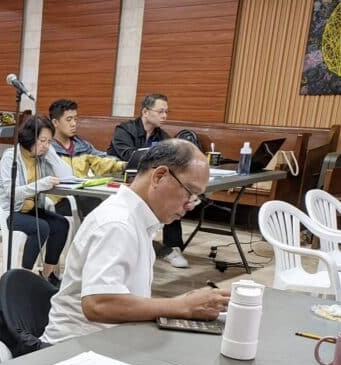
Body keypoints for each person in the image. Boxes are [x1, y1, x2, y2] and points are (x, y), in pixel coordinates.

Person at [43, 140, 230, 344]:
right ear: (159, 176)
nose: (190, 205)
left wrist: (187, 304)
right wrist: (182, 305)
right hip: (75, 349)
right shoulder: (117, 224)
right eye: (189, 192)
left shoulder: (137, 219)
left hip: (106, 340)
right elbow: (98, 304)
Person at [0, 115, 73, 286]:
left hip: (28, 210)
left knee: (61, 224)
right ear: (29, 137)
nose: (45, 145)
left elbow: (67, 176)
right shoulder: (11, 156)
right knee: (40, 227)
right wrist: (41, 184)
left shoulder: (41, 157)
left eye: (49, 141)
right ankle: (23, 280)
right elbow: (13, 194)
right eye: (42, 140)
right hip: (4, 212)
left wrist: (51, 153)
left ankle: (47, 276)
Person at [107, 93, 187, 268]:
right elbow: (129, 157)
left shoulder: (163, 135)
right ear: (145, 111)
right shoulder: (124, 130)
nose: (164, 116)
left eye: (166, 112)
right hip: (120, 181)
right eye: (160, 111)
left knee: (174, 195)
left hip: (147, 180)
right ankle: (147, 248)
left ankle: (172, 246)